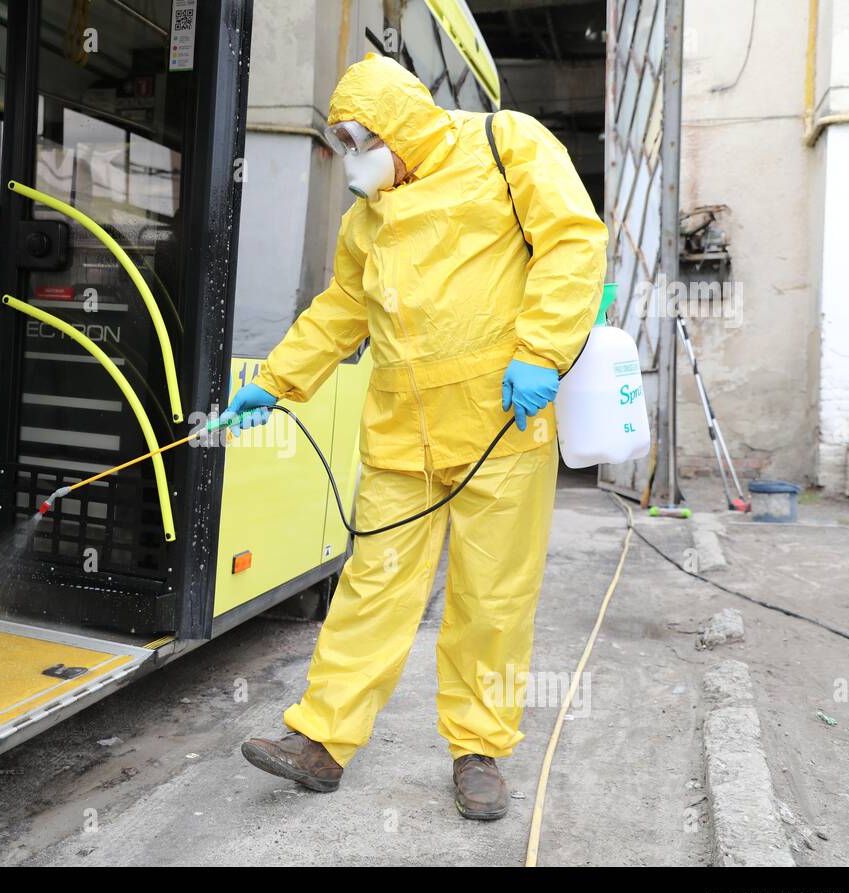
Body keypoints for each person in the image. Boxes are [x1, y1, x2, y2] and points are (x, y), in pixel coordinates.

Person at [228, 53, 607, 820]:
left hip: (502, 425)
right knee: (371, 588)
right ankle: (322, 742)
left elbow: (572, 244)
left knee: (492, 600)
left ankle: (479, 753)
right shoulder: (367, 217)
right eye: (341, 145)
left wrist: (541, 351)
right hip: (403, 433)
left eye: (357, 141)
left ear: (396, 126)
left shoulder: (509, 145)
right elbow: (343, 307)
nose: (352, 160)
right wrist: (278, 379)